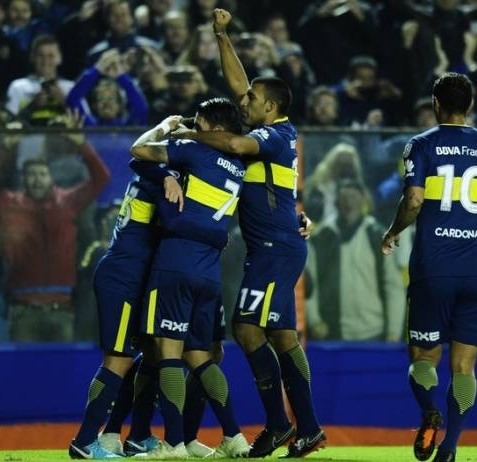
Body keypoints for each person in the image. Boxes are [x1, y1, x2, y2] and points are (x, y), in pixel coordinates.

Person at [171, 8, 324, 458]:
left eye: (253, 99)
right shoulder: (271, 129)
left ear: (270, 107)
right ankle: (308, 429)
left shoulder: (275, 136)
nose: (245, 101)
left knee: (246, 329)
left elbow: (236, 142)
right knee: (282, 337)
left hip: (275, 249)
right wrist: (222, 36)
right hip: (275, 246)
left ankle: (279, 424)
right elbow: (240, 86)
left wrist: (191, 135)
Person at [381, 72, 477, 462]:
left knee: (423, 358)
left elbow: (414, 200)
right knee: (465, 367)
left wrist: (393, 231)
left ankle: (430, 411)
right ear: (471, 104)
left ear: (435, 103)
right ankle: (450, 447)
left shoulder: (422, 144)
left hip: (434, 268)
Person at [130, 97, 250, 459]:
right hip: (210, 271)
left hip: (176, 261)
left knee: (168, 352)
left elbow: (138, 150)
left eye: (198, 124)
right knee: (200, 356)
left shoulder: (194, 150)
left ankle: (174, 444)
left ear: (216, 129)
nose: (193, 129)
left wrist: (166, 126)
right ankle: (234, 436)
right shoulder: (240, 167)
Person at [69, 152, 177, 459]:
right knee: (117, 359)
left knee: (152, 353)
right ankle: (85, 441)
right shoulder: (163, 181)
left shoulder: (151, 174)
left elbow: (136, 158)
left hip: (134, 276)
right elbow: (176, 224)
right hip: (124, 277)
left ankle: (135, 433)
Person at [0, 110, 110, 342]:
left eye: (42, 174)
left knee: (63, 365)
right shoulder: (9, 203)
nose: (37, 179)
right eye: (31, 174)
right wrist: (4, 147)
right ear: (23, 180)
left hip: (63, 311)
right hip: (23, 311)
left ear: (51, 178)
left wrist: (81, 144)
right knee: (24, 366)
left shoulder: (67, 201)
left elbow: (102, 178)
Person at [307, 180, 406, 341]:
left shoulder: (376, 236)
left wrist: (393, 333)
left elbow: (393, 286)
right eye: (344, 198)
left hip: (373, 333)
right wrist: (315, 322)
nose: (349, 203)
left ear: (363, 200)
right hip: (331, 335)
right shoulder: (322, 237)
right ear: (336, 202)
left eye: (353, 197)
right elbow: (310, 284)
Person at [66, 49, 149, 126]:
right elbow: (72, 99)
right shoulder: (88, 126)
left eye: (111, 98)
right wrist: (97, 68)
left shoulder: (130, 126)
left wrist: (121, 76)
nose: (106, 103)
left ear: (120, 104)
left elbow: (141, 108)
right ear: (94, 105)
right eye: (101, 99)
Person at [6, 34, 73, 125]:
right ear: (32, 57)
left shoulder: (70, 88)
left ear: (59, 58)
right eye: (40, 56)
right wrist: (33, 106)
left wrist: (64, 100)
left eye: (51, 56)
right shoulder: (18, 87)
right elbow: (8, 125)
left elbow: (86, 123)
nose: (45, 60)